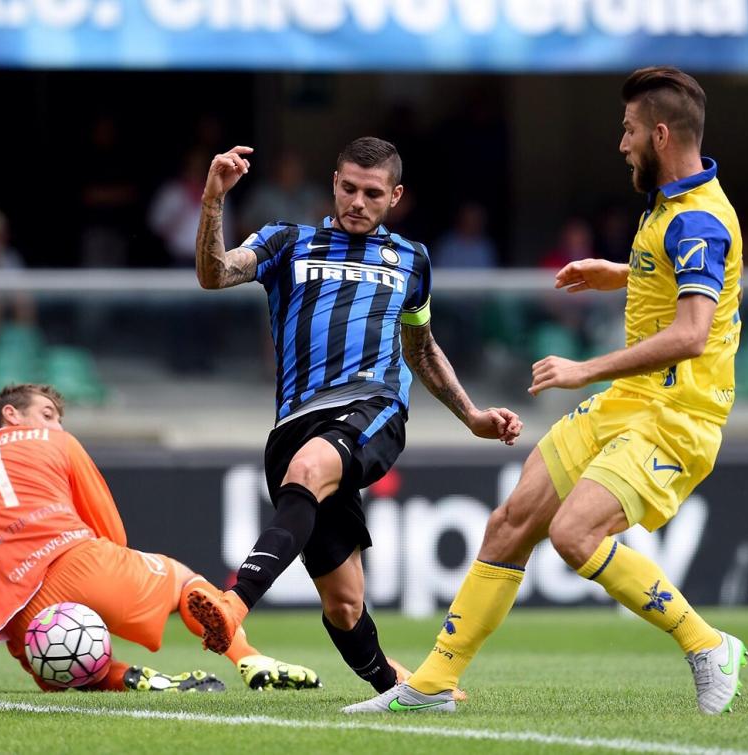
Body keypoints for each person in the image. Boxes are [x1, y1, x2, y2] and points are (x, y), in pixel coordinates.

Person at [343, 67, 748, 716]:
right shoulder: (673, 204)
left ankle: (708, 644)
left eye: (629, 131)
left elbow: (694, 332)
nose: (621, 143)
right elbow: (682, 274)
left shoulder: (698, 220)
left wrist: (587, 368)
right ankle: (432, 684)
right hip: (629, 405)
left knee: (574, 534)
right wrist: (620, 273)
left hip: (675, 416)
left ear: (661, 134)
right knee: (509, 524)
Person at [189, 137, 522, 696]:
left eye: (372, 193)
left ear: (395, 196)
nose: (358, 202)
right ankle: (401, 687)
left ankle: (233, 602)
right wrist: (213, 199)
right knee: (344, 605)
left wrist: (471, 415)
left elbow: (420, 348)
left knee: (311, 469)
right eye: (348, 188)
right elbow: (213, 274)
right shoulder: (287, 241)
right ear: (334, 184)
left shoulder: (411, 259)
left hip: (373, 405)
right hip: (294, 420)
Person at [0, 384, 320, 695]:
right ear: (11, 416)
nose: (57, 422)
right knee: (183, 580)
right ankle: (249, 658)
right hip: (79, 562)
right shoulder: (57, 441)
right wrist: (115, 581)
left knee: (56, 668)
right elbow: (112, 533)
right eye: (48, 413)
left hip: (20, 619)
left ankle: (126, 677)